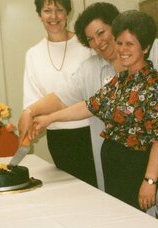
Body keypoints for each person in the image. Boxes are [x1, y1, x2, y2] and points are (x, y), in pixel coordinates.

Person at [18, 3, 158, 228]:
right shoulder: (114, 78)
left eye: (102, 33)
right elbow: (86, 103)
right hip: (130, 169)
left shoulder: (153, 66)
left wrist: (150, 161)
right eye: (90, 39)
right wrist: (37, 113)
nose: (99, 42)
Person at [33, 9, 158, 212]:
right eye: (119, 43)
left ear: (145, 48)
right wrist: (49, 118)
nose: (122, 50)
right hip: (113, 165)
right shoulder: (120, 80)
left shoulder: (156, 86)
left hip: (134, 167)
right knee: (119, 222)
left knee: (134, 226)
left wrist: (150, 182)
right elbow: (89, 106)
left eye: (130, 44)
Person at [23, 0, 96, 187]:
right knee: (69, 193)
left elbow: (97, 95)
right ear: (40, 15)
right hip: (58, 136)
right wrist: (28, 123)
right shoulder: (33, 54)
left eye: (59, 10)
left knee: (97, 191)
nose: (53, 16)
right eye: (47, 10)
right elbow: (33, 100)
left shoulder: (86, 46)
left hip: (92, 131)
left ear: (68, 13)